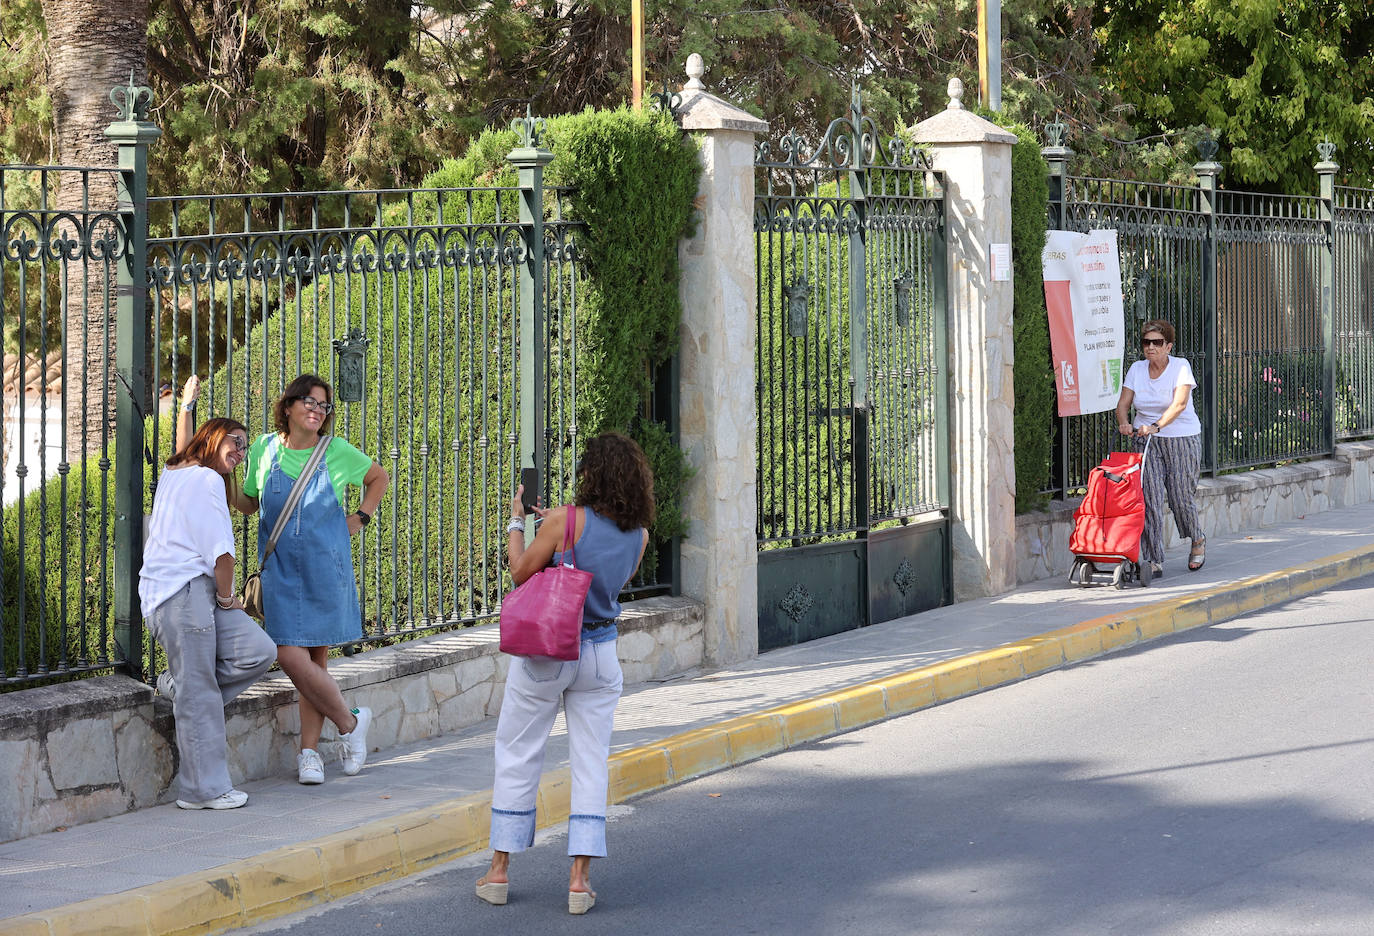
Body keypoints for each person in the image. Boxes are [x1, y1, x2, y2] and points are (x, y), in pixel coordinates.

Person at [178, 373, 389, 785]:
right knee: (290, 656)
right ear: (289, 406)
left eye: (324, 405)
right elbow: (248, 505)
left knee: (315, 660)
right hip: (280, 569)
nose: (316, 410)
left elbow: (378, 478)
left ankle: (309, 754)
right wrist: (224, 479)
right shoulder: (263, 448)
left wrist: (360, 518)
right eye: (309, 401)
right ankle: (351, 722)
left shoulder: (337, 451)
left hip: (325, 568)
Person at [476, 432, 654, 915]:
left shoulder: (562, 521)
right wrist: (566, 529)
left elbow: (519, 571)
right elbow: (609, 582)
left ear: (589, 473)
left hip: (548, 654)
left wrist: (518, 521)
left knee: (517, 752)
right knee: (591, 761)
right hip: (600, 653)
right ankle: (579, 881)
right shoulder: (638, 534)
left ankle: (498, 872)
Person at [140, 417, 277, 810]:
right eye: (235, 441)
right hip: (183, 593)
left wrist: (185, 405)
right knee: (199, 690)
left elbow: (185, 444)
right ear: (212, 437)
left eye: (244, 447)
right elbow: (223, 554)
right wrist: (227, 596)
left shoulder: (177, 470)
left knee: (258, 651)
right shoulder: (202, 478)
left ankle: (178, 686)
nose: (240, 451)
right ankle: (204, 791)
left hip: (187, 593)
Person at [1115, 319, 1206, 577]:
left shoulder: (1180, 367)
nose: (1151, 348)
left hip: (1181, 436)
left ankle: (1197, 538)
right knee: (1149, 498)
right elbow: (1123, 404)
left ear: (1168, 346)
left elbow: (1179, 404)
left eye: (1157, 343)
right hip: (1145, 441)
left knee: (1180, 497)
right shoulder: (1136, 369)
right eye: (1147, 343)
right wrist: (1124, 423)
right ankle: (1154, 559)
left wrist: (1156, 425)